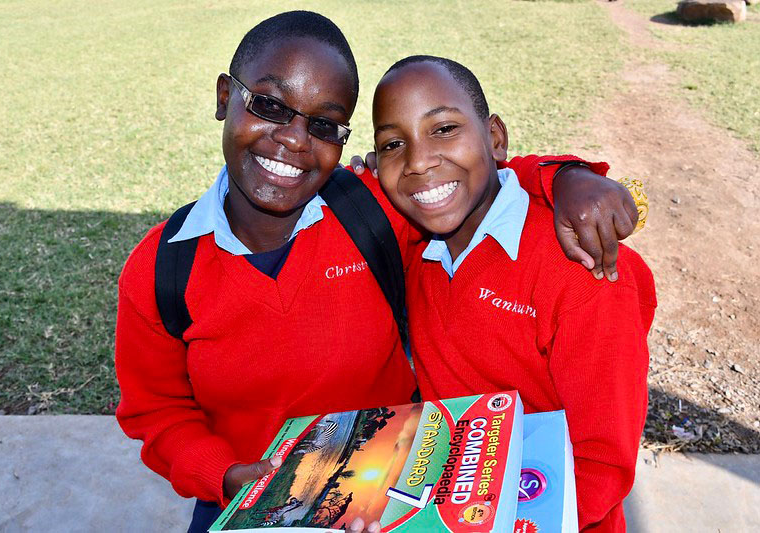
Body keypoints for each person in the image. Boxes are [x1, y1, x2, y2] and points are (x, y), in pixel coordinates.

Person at [114, 12, 639, 533]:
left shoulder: (375, 213)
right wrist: (226, 477)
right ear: (226, 96)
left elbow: (468, 180)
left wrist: (567, 177)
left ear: (342, 140)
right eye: (270, 106)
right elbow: (157, 413)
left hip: (397, 506)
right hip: (242, 506)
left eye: (323, 124)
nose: (295, 140)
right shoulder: (163, 268)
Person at [371, 55, 656, 532]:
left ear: (495, 137)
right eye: (393, 144)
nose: (418, 161)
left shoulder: (585, 272)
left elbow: (601, 465)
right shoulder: (411, 239)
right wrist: (561, 173)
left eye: (443, 128)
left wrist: (568, 175)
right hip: (448, 508)